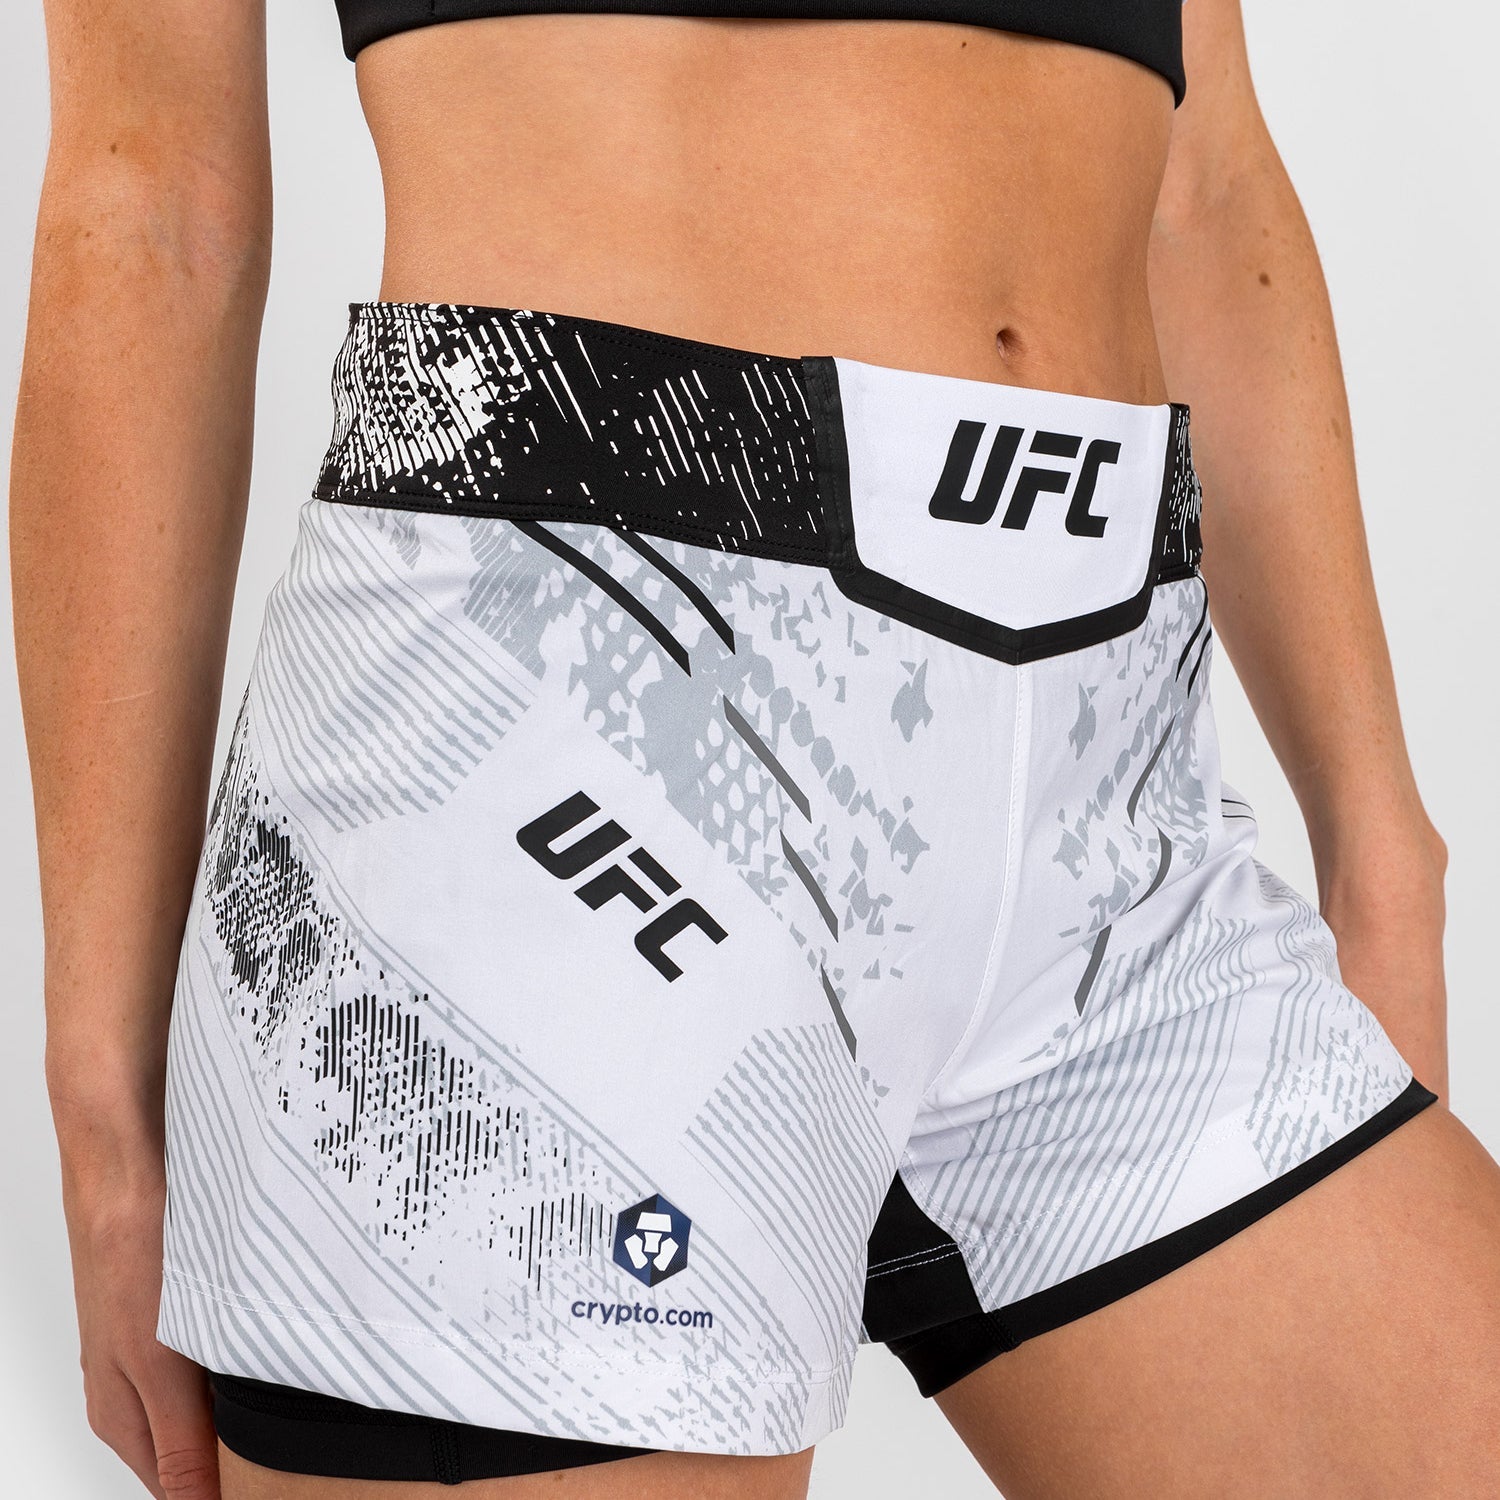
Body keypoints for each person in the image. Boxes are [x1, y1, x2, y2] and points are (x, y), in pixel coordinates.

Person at [12, 0, 1500, 1496]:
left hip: (1114, 792)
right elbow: (155, 204)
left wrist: (1381, 842)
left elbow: (1205, 178)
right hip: (558, 728)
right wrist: (102, 1097)